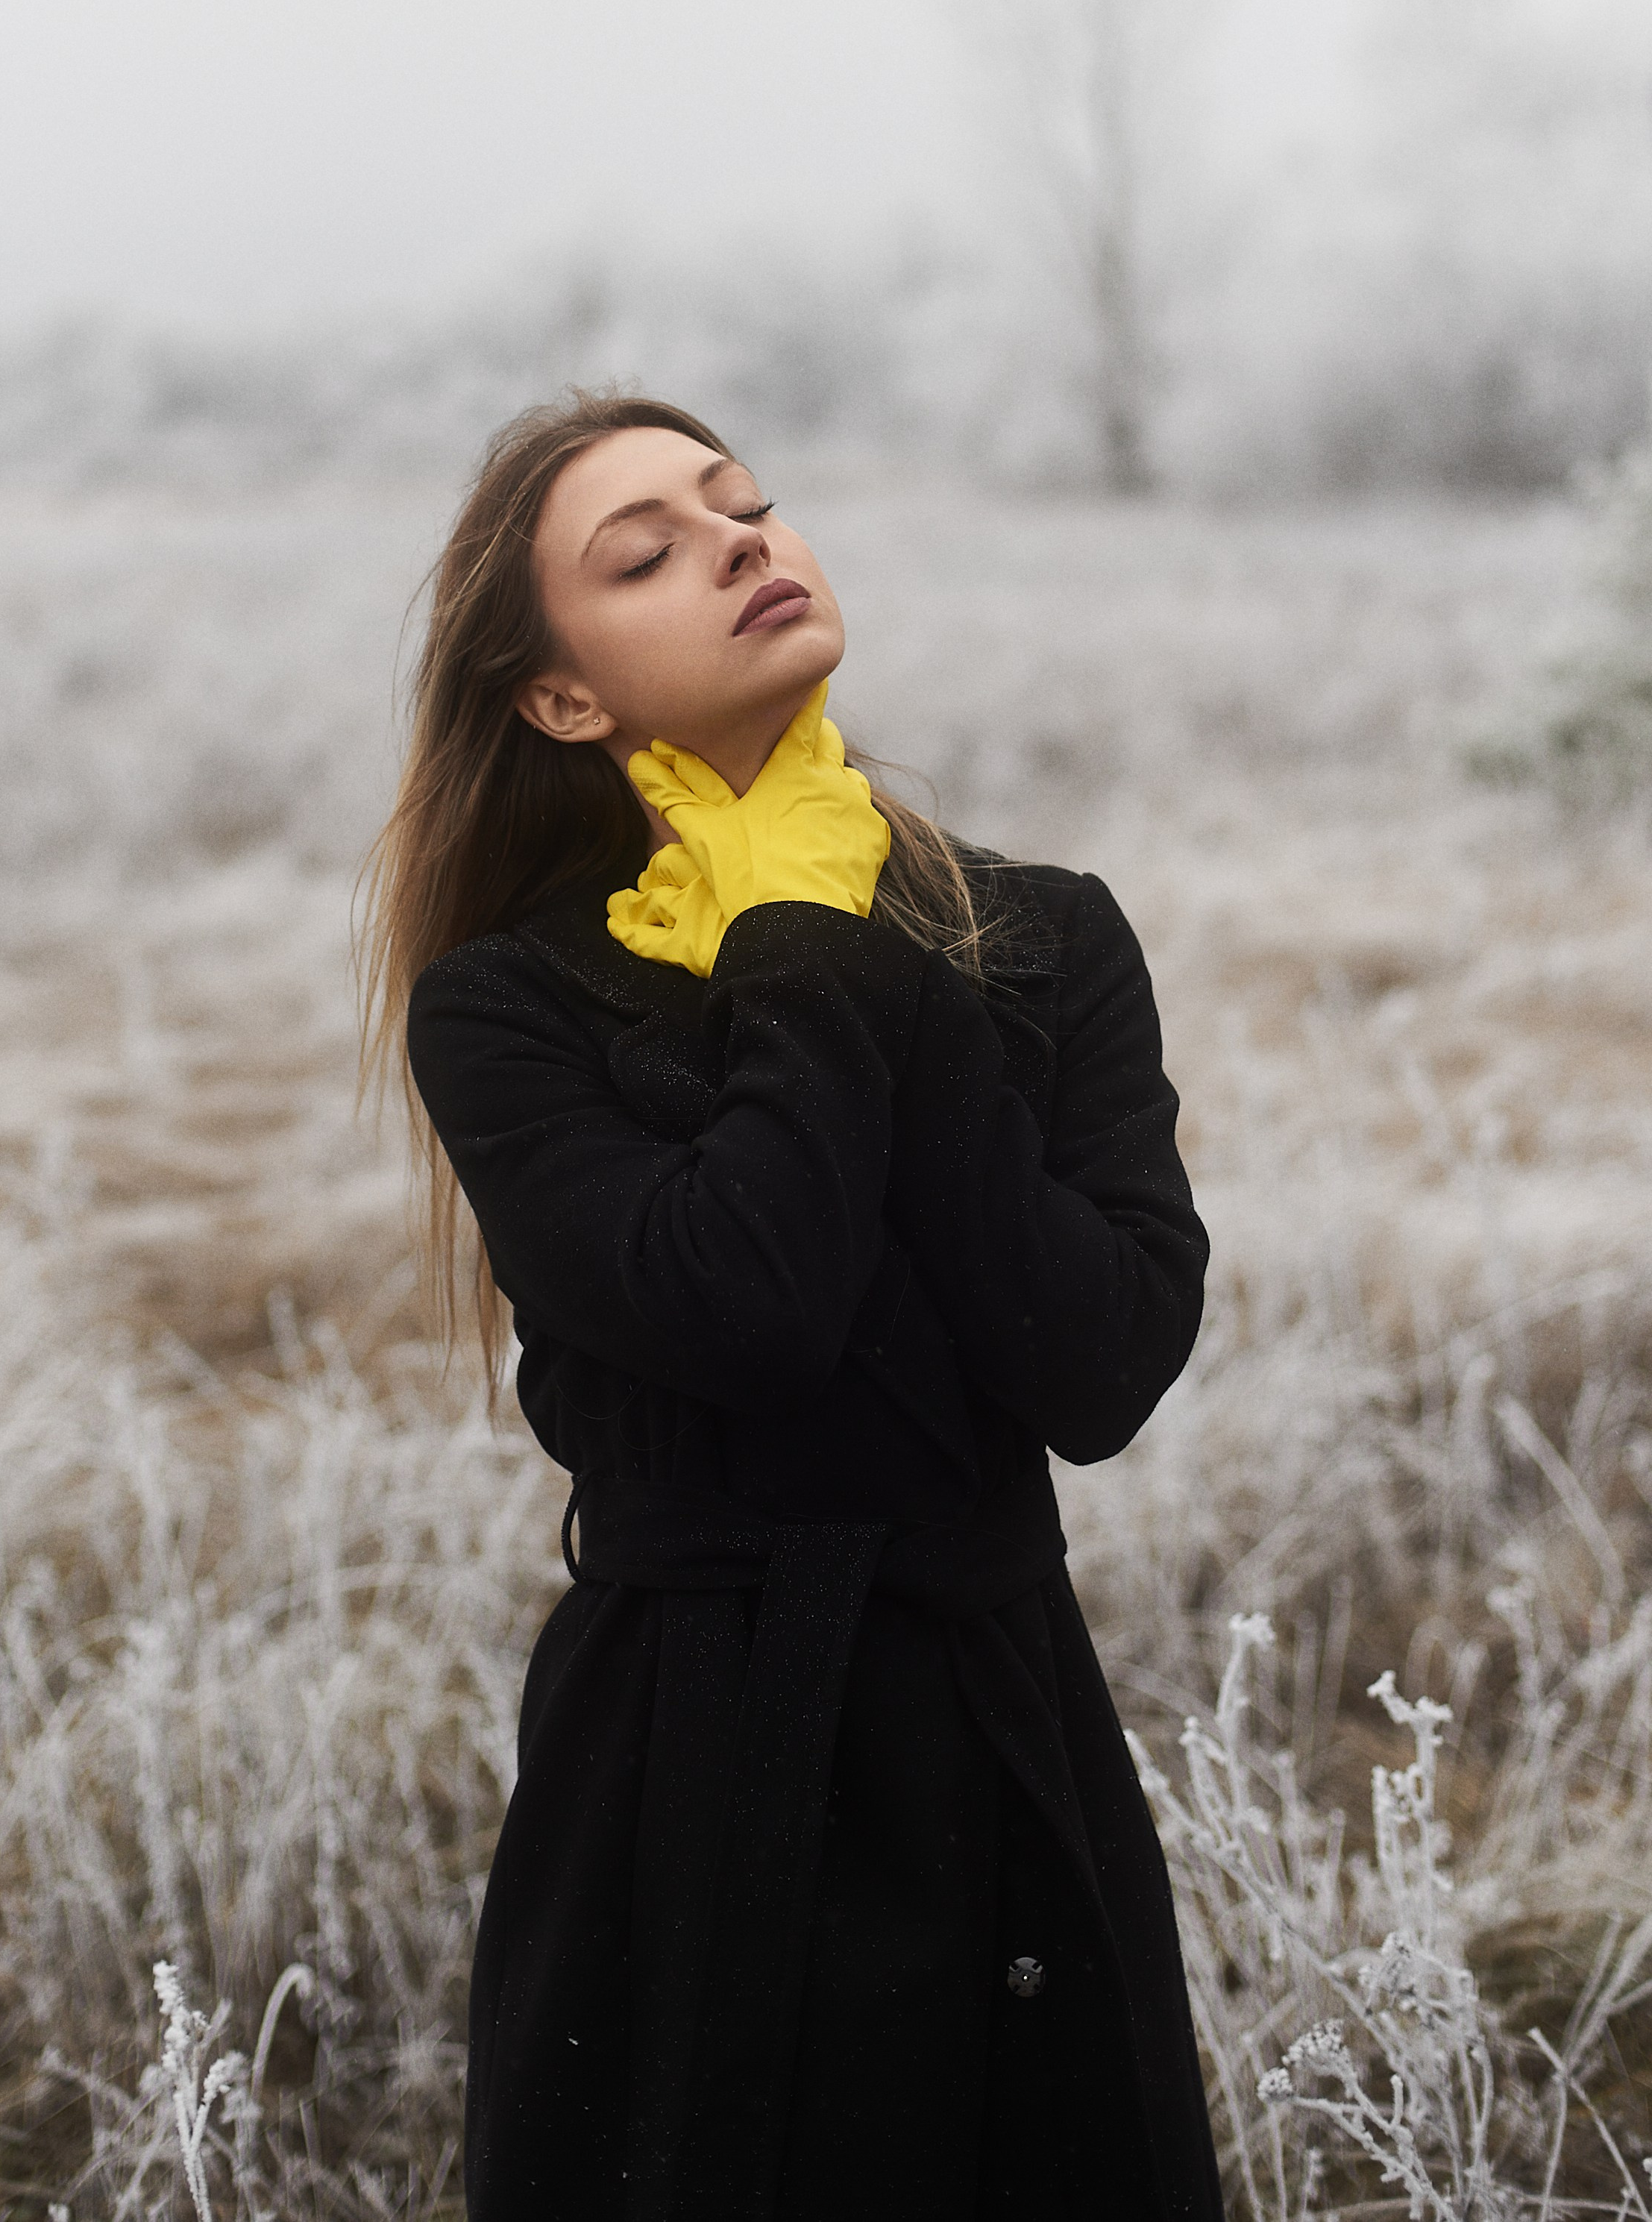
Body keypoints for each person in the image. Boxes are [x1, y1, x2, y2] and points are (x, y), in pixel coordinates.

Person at [359, 390, 1223, 2222]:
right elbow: (742, 1299)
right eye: (648, 550)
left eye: (745, 504)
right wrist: (807, 940)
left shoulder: (1045, 932)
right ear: (562, 697)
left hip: (1001, 1731)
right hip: (689, 1764)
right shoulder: (510, 1006)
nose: (745, 542)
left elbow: (1103, 1357)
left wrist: (854, 928)